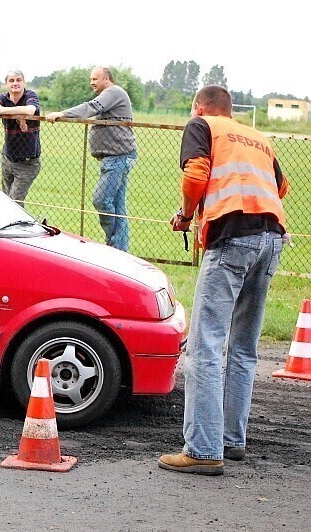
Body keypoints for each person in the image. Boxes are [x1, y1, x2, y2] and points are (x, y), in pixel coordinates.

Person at [158, 85, 289, 476]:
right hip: (271, 238)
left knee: (205, 346)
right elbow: (281, 188)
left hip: (233, 237)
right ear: (231, 109)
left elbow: (196, 171)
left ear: (200, 106)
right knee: (244, 347)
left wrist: (185, 214)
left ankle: (202, 449)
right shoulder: (257, 137)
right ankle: (232, 440)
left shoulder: (201, 125)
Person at [45, 67, 137, 251]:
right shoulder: (110, 94)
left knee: (101, 199)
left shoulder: (113, 92)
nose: (91, 82)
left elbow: (91, 107)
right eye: (91, 79)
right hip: (113, 157)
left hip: (118, 157)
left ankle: (114, 245)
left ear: (107, 78)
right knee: (117, 207)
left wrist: (62, 114)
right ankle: (120, 251)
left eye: (95, 78)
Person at [0, 70, 41, 204]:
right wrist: (17, 114)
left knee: (13, 203)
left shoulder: (30, 95)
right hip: (7, 158)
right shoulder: (3, 98)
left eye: (18, 80)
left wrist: (3, 111)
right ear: (5, 84)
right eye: (11, 80)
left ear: (24, 82)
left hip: (28, 161)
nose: (15, 83)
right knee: (7, 203)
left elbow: (30, 110)